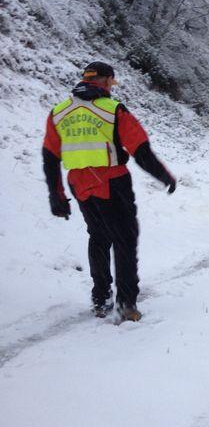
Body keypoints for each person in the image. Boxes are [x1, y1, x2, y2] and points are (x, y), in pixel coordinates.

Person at [42, 61, 176, 322]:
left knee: (99, 236)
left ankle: (100, 297)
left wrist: (56, 194)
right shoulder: (112, 110)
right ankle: (126, 304)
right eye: (111, 83)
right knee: (125, 240)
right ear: (104, 81)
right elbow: (140, 149)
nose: (112, 89)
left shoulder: (59, 112)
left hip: (79, 184)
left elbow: (49, 157)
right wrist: (163, 176)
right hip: (112, 182)